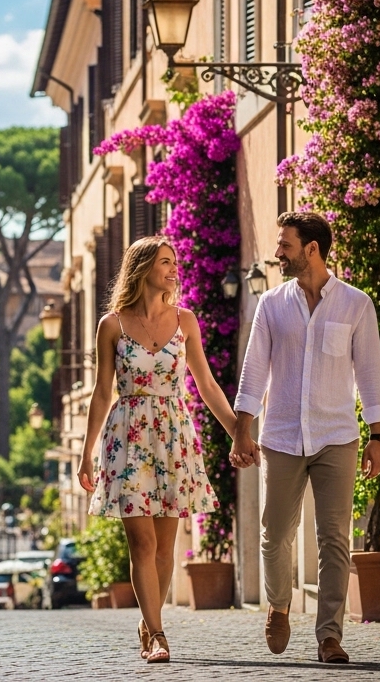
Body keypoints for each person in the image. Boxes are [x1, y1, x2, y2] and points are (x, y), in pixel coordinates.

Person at [229, 211, 380, 664]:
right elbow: (254, 372)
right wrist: (242, 432)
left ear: (312, 249)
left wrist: (378, 435)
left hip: (337, 436)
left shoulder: (356, 304)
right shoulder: (272, 304)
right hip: (281, 436)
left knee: (335, 537)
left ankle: (329, 637)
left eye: (286, 245)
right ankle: (279, 605)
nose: (278, 253)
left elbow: (370, 373)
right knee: (275, 533)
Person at [76, 236, 239, 664]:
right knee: (142, 542)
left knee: (166, 547)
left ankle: (149, 622)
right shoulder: (112, 325)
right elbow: (102, 392)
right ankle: (159, 635)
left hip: (173, 435)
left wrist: (237, 431)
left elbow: (206, 384)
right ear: (143, 267)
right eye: (165, 262)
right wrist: (86, 453)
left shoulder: (186, 320)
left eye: (175, 262)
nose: (173, 269)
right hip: (128, 437)